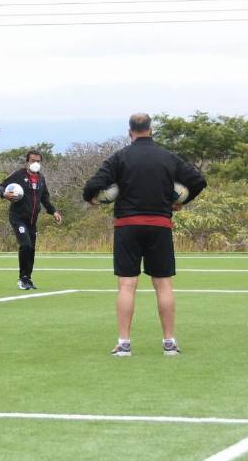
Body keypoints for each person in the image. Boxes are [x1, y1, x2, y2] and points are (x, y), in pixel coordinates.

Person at [83, 113, 207, 357]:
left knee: (127, 284)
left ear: (130, 132)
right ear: (151, 130)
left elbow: (91, 186)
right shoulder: (167, 157)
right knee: (163, 284)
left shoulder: (119, 157)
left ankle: (124, 344)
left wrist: (93, 199)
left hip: (127, 226)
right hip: (159, 225)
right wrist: (181, 202)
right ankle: (169, 343)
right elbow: (198, 181)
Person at [0, 151, 63, 290]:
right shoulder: (19, 175)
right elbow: (1, 186)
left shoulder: (41, 179)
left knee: (31, 249)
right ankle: (22, 278)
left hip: (32, 220)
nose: (35, 163)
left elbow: (45, 198)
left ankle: (28, 278)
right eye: (32, 160)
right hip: (17, 218)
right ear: (27, 161)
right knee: (25, 245)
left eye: (38, 161)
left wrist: (54, 212)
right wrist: (4, 194)